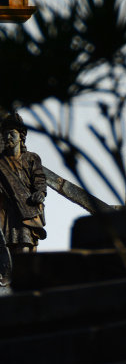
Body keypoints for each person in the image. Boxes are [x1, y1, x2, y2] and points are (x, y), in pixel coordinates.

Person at [0, 108, 46, 285]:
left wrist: (40, 193)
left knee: (24, 240)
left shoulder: (31, 158)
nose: (7, 138)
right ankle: (8, 274)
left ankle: (22, 275)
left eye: (11, 134)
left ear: (21, 136)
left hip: (25, 208)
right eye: (4, 135)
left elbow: (39, 180)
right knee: (6, 242)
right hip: (5, 210)